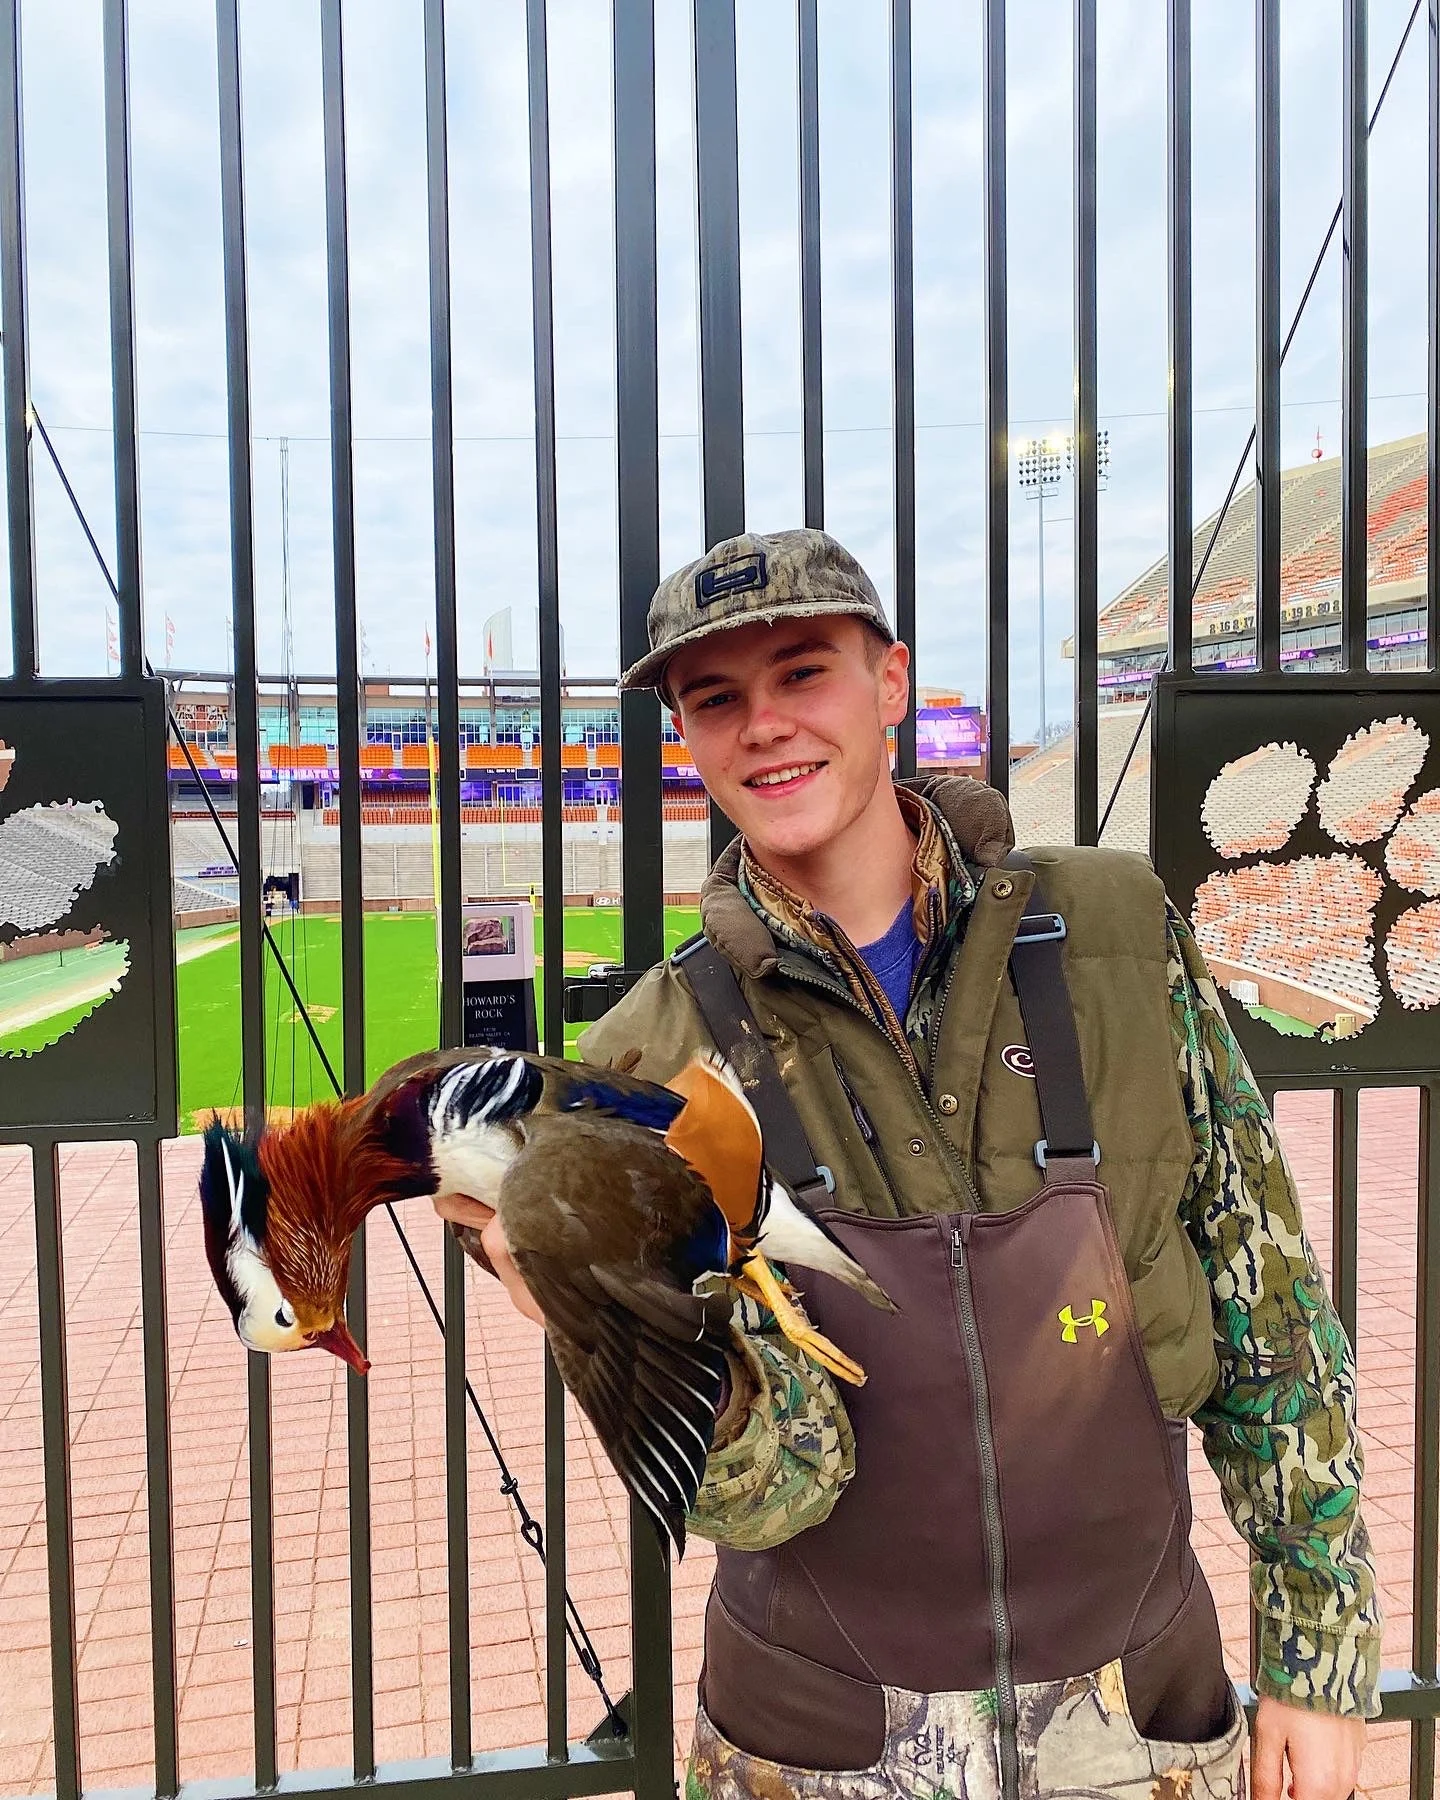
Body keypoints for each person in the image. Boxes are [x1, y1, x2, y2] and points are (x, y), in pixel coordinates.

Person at [436, 529, 1380, 1800]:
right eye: (715, 699)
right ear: (687, 737)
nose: (763, 726)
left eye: (802, 673)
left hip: (1142, 1726)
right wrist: (599, 1311)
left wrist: (1318, 1658)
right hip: (811, 1751)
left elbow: (1269, 1309)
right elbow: (771, 1494)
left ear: (890, 686)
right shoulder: (645, 1064)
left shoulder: (1112, 931)